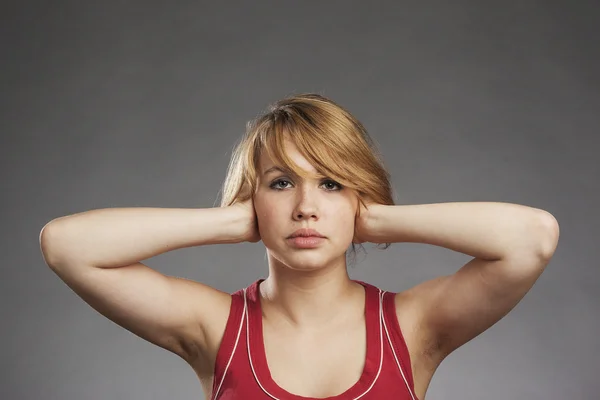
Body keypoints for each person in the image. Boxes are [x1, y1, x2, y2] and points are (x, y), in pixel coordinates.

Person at [39, 93, 560, 400]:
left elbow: (532, 238)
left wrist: (375, 219)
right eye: (282, 183)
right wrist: (230, 222)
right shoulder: (217, 326)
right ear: (254, 199)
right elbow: (66, 245)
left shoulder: (411, 326)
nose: (307, 207)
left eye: (332, 183)